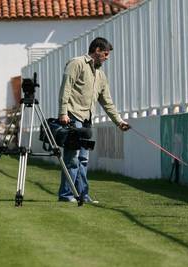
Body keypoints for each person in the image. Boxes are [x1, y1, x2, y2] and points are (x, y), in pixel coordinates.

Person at [57, 37, 130, 203]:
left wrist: (119, 122)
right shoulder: (76, 64)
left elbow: (107, 102)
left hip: (87, 120)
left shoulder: (101, 75)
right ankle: (66, 195)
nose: (107, 57)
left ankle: (82, 195)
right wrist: (63, 113)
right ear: (97, 50)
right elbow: (65, 89)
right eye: (105, 53)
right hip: (72, 116)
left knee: (83, 158)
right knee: (73, 158)